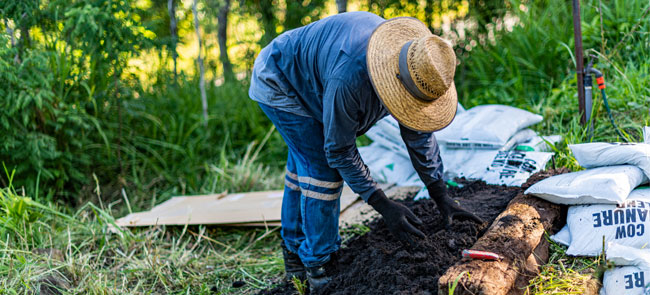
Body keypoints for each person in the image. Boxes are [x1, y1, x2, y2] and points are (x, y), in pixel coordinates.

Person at [249, 11, 482, 292]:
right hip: (280, 79)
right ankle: (318, 263)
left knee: (304, 164)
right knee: (321, 170)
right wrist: (383, 204)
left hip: (318, 78)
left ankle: (296, 252)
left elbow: (418, 135)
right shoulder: (351, 78)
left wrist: (440, 194)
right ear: (393, 82)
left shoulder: (417, 67)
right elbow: (339, 150)